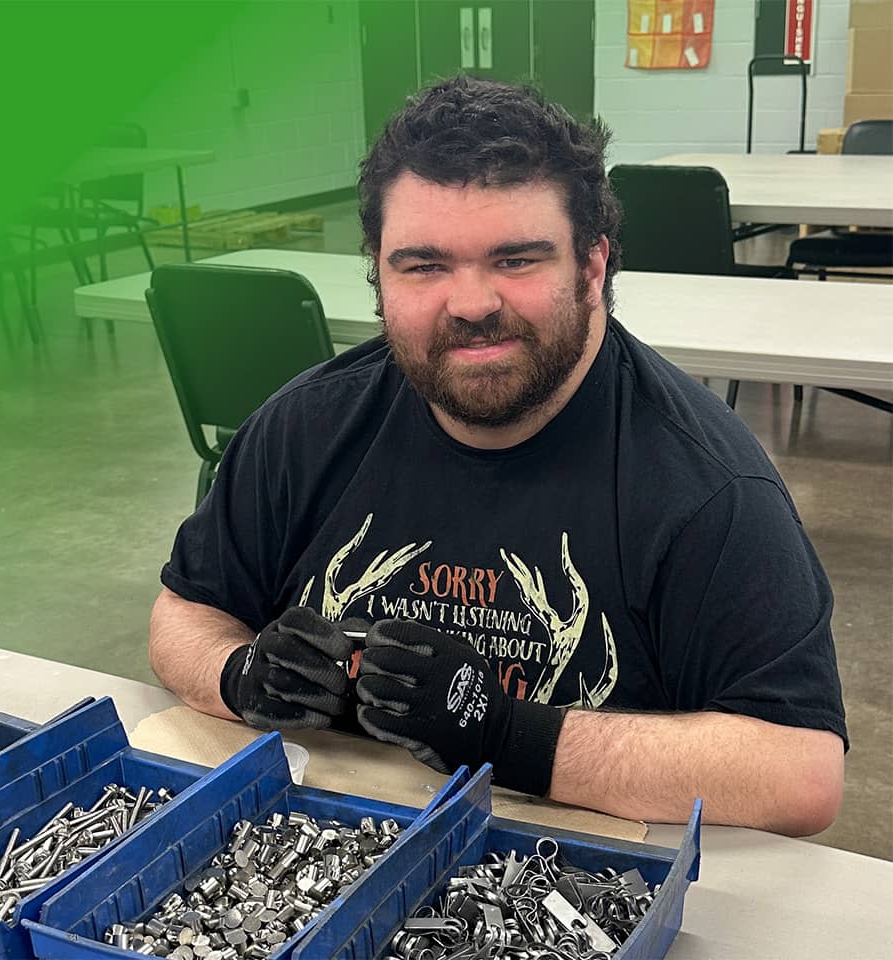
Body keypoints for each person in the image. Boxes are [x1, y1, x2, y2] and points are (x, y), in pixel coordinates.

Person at [150, 75, 846, 837]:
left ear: (592, 268)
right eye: (423, 266)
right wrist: (237, 674)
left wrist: (510, 736)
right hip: (321, 857)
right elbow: (184, 613)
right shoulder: (304, 428)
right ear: (379, 276)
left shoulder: (705, 484)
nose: (472, 303)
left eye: (516, 260)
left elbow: (798, 771)